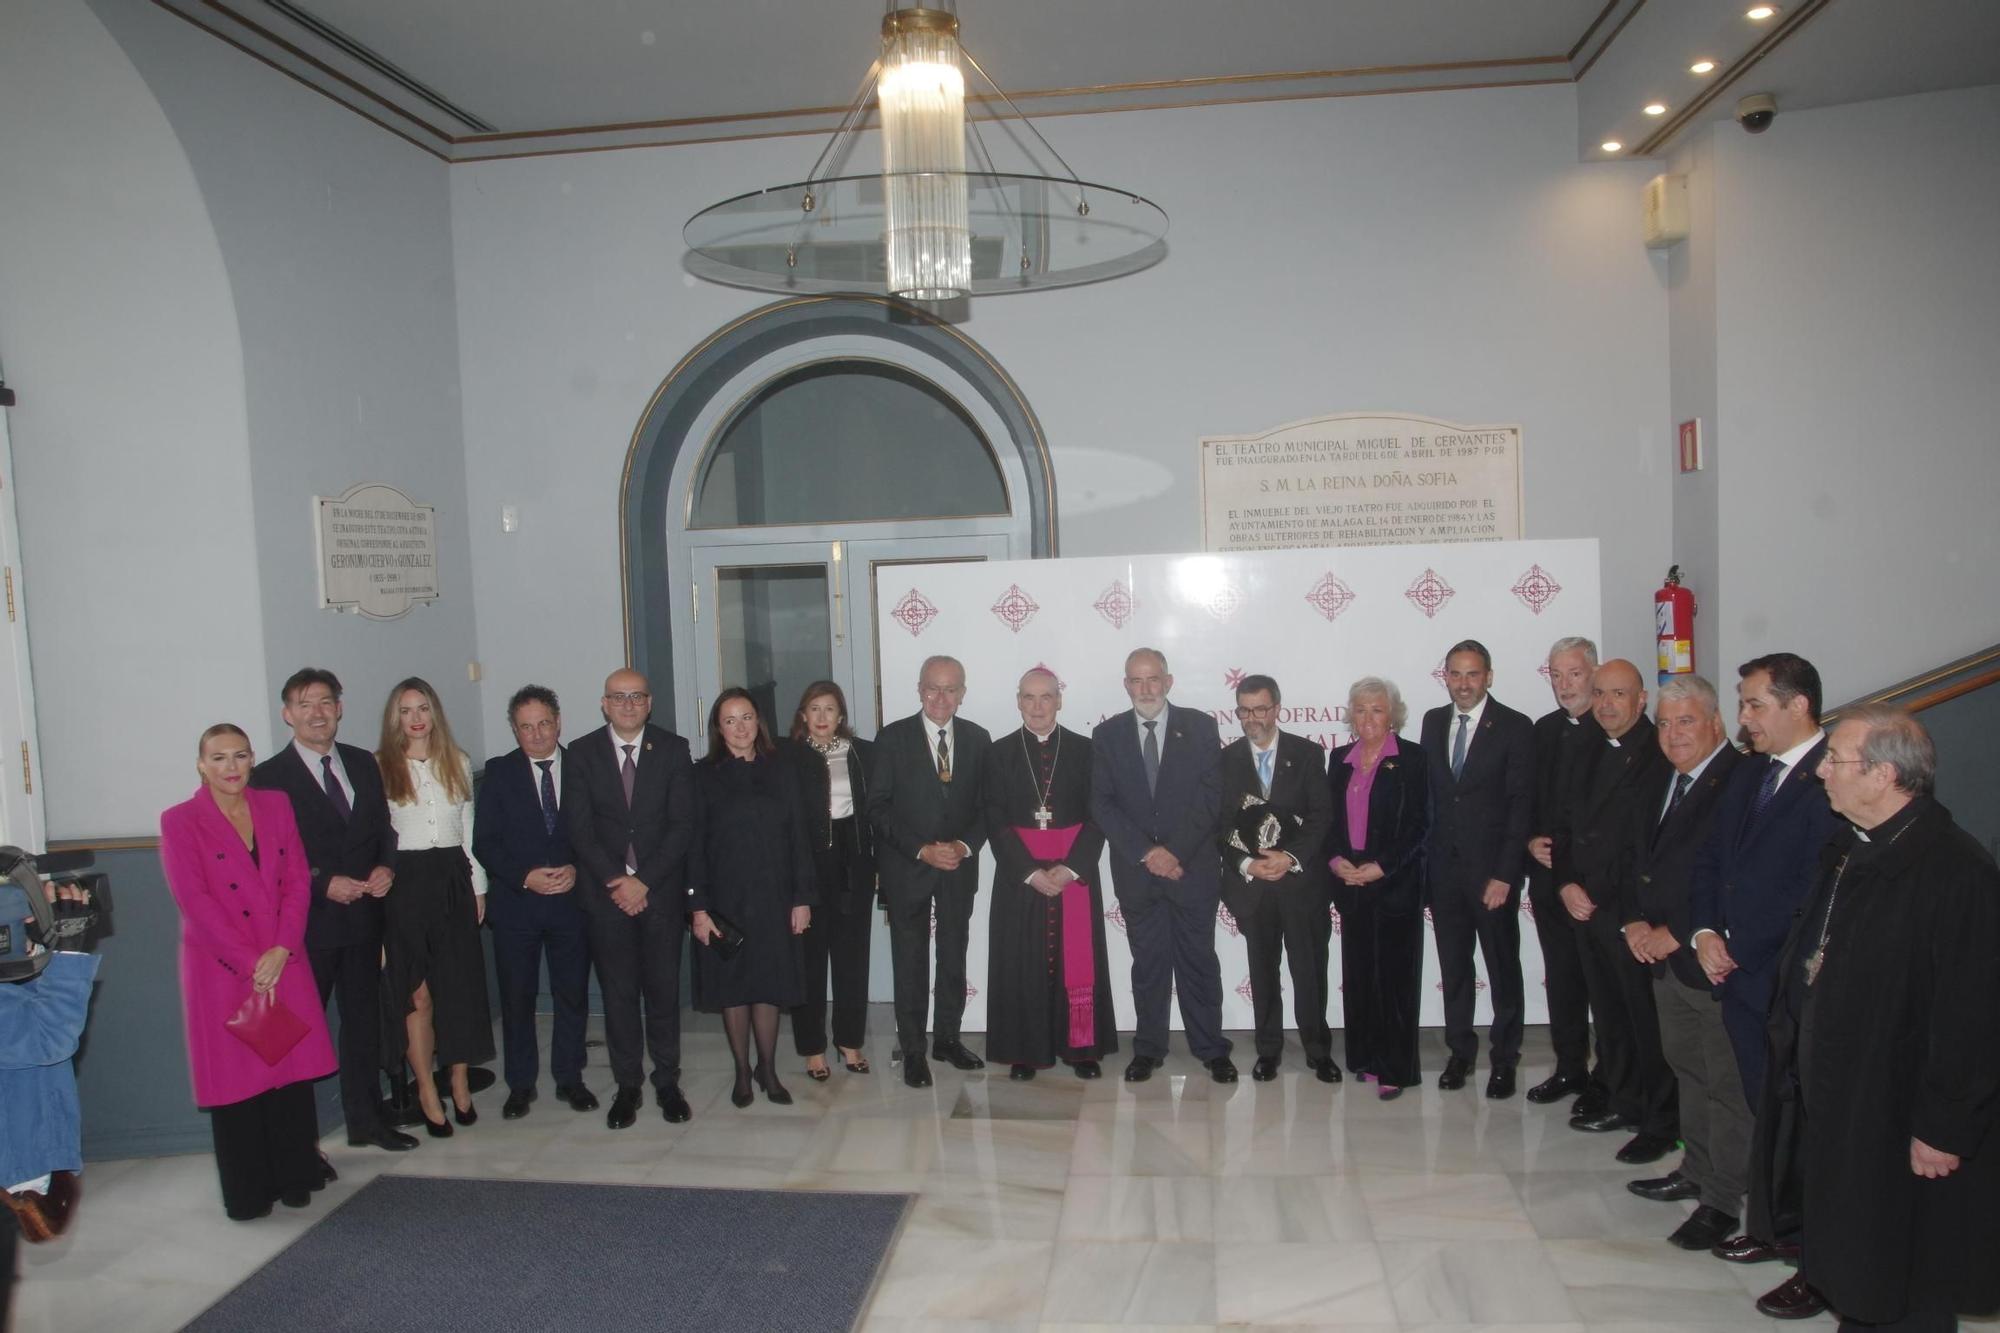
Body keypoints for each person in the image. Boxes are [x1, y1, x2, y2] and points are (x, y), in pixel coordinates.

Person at [1749, 706, 1999, 1329]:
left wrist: (1945, 1126)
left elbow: (1973, 1014)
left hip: (1900, 1111)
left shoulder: (1955, 870)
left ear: (1884, 775)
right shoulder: (1849, 848)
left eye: (1836, 760)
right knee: (1855, 1260)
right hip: (1842, 1096)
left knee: (1903, 1271)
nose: (1822, 771)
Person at [1687, 652, 1837, 1279]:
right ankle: (1773, 1225)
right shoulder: (1751, 774)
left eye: (1754, 705)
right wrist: (1703, 933)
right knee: (1763, 1105)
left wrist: (1743, 946)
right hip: (1737, 976)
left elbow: (1813, 893)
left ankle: (1810, 1252)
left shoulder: (1833, 778)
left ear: (1797, 704)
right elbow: (1712, 860)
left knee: (1802, 1118)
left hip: (1789, 981)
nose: (1743, 719)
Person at [161, 724, 338, 1219]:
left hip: (284, 957)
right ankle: (249, 1191)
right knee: (239, 1082)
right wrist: (250, 961)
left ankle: (297, 1174)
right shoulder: (180, 821)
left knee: (288, 1073)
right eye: (218, 758)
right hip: (223, 968)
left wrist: (282, 947)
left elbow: (298, 878)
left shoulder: (276, 805)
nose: (230, 767)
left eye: (239, 756)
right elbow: (194, 900)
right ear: (201, 764)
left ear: (252, 760)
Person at [249, 669, 415, 1152]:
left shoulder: (365, 763)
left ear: (339, 708)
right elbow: (269, 858)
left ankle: (367, 1122)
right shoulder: (267, 779)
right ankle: (300, 1146)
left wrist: (387, 866)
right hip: (306, 928)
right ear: (287, 715)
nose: (316, 713)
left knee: (364, 1025)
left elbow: (384, 829)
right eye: (304, 705)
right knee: (299, 1033)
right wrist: (322, 883)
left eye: (325, 702)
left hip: (365, 920)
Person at [1616, 675, 1748, 1252]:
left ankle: (1723, 1199)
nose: (1673, 734)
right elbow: (1638, 859)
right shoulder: (1666, 779)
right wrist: (1634, 921)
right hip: (1662, 958)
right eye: (1666, 724)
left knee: (1726, 1083)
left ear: (1717, 722)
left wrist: (1678, 932)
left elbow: (1732, 876)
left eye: (1686, 721)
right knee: (1688, 1069)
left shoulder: (1739, 782)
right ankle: (1695, 1170)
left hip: (1707, 960)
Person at [1549, 660, 1676, 1162]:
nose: (1605, 703)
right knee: (1610, 1014)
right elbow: (1563, 824)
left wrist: (1622, 907)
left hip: (1632, 914)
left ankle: (1660, 1119)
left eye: (1618, 694)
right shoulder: (1582, 746)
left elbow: (1648, 845)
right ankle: (1624, 1101)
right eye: (1599, 693)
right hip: (1585, 907)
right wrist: (1564, 883)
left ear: (1642, 700)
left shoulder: (1660, 753)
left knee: (1646, 1020)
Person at [1092, 647, 1234, 1084]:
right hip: (1138, 874)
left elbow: (1212, 796)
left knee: (1199, 962)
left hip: (1192, 869)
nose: (1145, 689)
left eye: (1153, 679)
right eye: (1136, 680)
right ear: (1125, 685)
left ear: (1168, 682)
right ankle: (1149, 1049)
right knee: (1148, 964)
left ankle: (1211, 1048)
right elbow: (1101, 803)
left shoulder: (1200, 726)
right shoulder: (1108, 735)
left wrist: (1175, 852)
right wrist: (1148, 853)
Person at [565, 667, 697, 1128]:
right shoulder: (581, 753)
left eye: (636, 696)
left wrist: (644, 880)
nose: (627, 704)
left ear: (649, 702)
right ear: (604, 703)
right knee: (619, 995)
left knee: (662, 993)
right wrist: (618, 882)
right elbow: (579, 829)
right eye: (618, 697)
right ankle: (628, 1085)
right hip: (607, 898)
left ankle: (666, 1081)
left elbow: (682, 825)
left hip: (659, 894)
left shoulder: (674, 750)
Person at [983, 668, 1116, 1080]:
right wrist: (1028, 872)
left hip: (1073, 873)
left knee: (1078, 960)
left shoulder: (1085, 749)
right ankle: (1025, 1051)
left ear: (1060, 700)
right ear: (1018, 700)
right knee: (1020, 961)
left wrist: (1072, 867)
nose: (1037, 706)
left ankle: (1082, 1049)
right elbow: (994, 818)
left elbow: (1100, 814)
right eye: (1029, 697)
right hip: (1020, 878)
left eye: (1046, 697)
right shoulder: (999, 752)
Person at [472, 684, 597, 1120]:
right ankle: (520, 1084)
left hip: (572, 903)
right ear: (514, 729)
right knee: (517, 998)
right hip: (516, 906)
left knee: (571, 994)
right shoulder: (499, 772)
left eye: (544, 723)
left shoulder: (584, 766)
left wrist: (579, 869)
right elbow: (484, 843)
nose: (537, 734)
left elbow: (602, 832)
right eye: (526, 727)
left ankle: (570, 1077)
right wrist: (524, 877)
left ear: (558, 721)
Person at [376, 678, 493, 1137]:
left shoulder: (457, 762)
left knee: (456, 989)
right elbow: (377, 839)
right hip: (404, 887)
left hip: (454, 880)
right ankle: (426, 1087)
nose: (416, 717)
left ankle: (459, 1081)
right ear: (395, 718)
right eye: (406, 710)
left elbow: (468, 832)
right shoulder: (380, 767)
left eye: (423, 707)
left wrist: (479, 888)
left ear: (435, 712)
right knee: (417, 994)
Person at [867, 654, 991, 1089]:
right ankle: (915, 1049)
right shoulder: (892, 738)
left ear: (962, 693)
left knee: (953, 955)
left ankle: (948, 1040)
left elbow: (985, 809)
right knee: (910, 960)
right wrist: (921, 850)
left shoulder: (978, 738)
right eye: (933, 688)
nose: (941, 697)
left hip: (958, 867)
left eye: (951, 688)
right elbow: (877, 808)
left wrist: (961, 846)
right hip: (908, 868)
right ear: (920, 689)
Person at [688, 689, 814, 1107]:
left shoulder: (782, 770)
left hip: (776, 899)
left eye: (747, 718)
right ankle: (742, 1071)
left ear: (758, 722)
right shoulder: (703, 776)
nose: (740, 727)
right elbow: (694, 847)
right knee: (734, 989)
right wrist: (698, 909)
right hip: (725, 904)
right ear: (718, 729)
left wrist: (802, 898)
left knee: (769, 986)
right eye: (730, 720)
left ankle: (768, 1069)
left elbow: (800, 838)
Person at [1420, 639, 1534, 1098]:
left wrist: (1506, 874)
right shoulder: (1432, 722)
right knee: (1455, 967)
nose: (1463, 684)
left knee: (1503, 967)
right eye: (1455, 674)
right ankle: (1460, 1052)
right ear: (1444, 677)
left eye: (1472, 674)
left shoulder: (1514, 726)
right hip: (1444, 874)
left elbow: (1520, 806)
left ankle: (1505, 1058)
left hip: (1492, 877)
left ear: (1488, 676)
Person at [1216, 674, 1336, 1083]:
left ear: (1277, 708)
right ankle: (1268, 1051)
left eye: (1261, 709)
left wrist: (1289, 857)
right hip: (1254, 888)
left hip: (1301, 886)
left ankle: (1319, 1050)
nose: (1254, 718)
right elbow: (1219, 826)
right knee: (1263, 974)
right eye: (1245, 710)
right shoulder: (1225, 760)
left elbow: (1321, 816)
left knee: (1309, 971)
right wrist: (1249, 865)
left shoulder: (1306, 754)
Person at [2, 864, 107, 1317]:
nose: (34, 925)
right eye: (26, 920)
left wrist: (49, 947)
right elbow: (47, 1039)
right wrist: (70, 955)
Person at [1325, 676, 1430, 1100]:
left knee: (1395, 980)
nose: (1368, 718)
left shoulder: (1413, 759)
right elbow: (1327, 820)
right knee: (1360, 975)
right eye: (1361, 709)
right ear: (1351, 714)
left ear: (1393, 715)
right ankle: (1366, 1058)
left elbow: (1421, 826)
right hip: (1350, 883)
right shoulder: (1339, 759)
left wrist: (1381, 867)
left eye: (1378, 709)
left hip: (1394, 883)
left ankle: (1396, 1068)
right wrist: (1336, 862)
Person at [776, 681, 877, 1082]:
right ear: (803, 715)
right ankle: (813, 1048)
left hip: (854, 865)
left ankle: (850, 1041)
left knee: (853, 959)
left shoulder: (862, 753)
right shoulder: (786, 756)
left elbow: (876, 809)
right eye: (814, 709)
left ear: (841, 716)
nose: (821, 717)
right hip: (806, 866)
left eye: (830, 709)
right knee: (809, 961)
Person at [1524, 635, 1606, 1110]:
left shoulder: (1616, 727)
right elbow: (1530, 800)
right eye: (1555, 675)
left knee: (1604, 984)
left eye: (1574, 673)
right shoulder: (1545, 729)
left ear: (1593, 673)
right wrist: (1530, 840)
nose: (1564, 684)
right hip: (1549, 879)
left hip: (1596, 885)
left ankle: (1609, 1076)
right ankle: (1570, 1067)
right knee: (1562, 977)